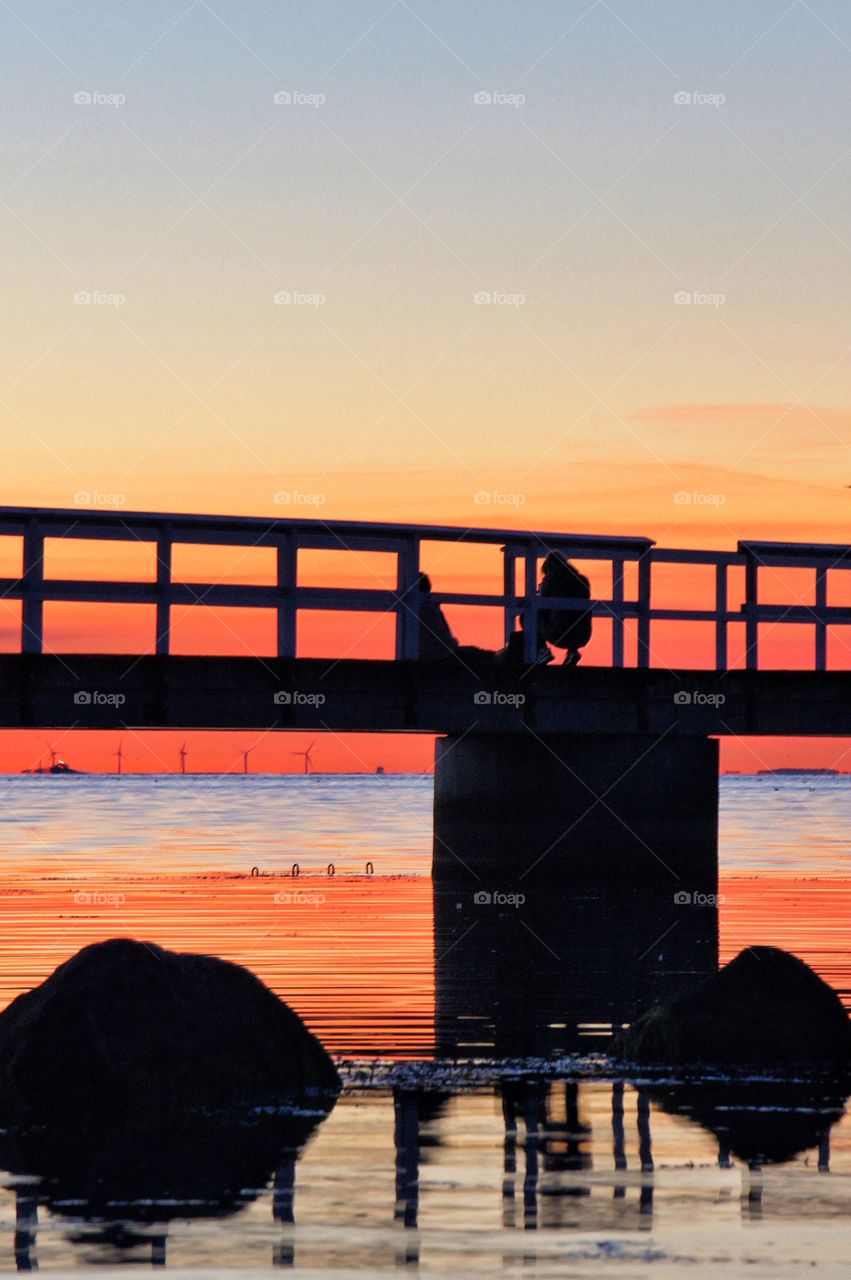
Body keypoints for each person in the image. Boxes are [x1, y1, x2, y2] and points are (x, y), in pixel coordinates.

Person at [538, 552, 593, 666]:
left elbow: (542, 606)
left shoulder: (550, 580)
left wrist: (541, 591)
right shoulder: (583, 580)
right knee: (573, 617)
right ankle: (573, 652)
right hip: (582, 634)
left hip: (559, 633)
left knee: (528, 615)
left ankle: (542, 650)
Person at [415, 573, 460, 660]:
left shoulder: (412, 609)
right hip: (436, 656)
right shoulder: (428, 608)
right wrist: (454, 644)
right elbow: (440, 631)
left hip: (421, 654)